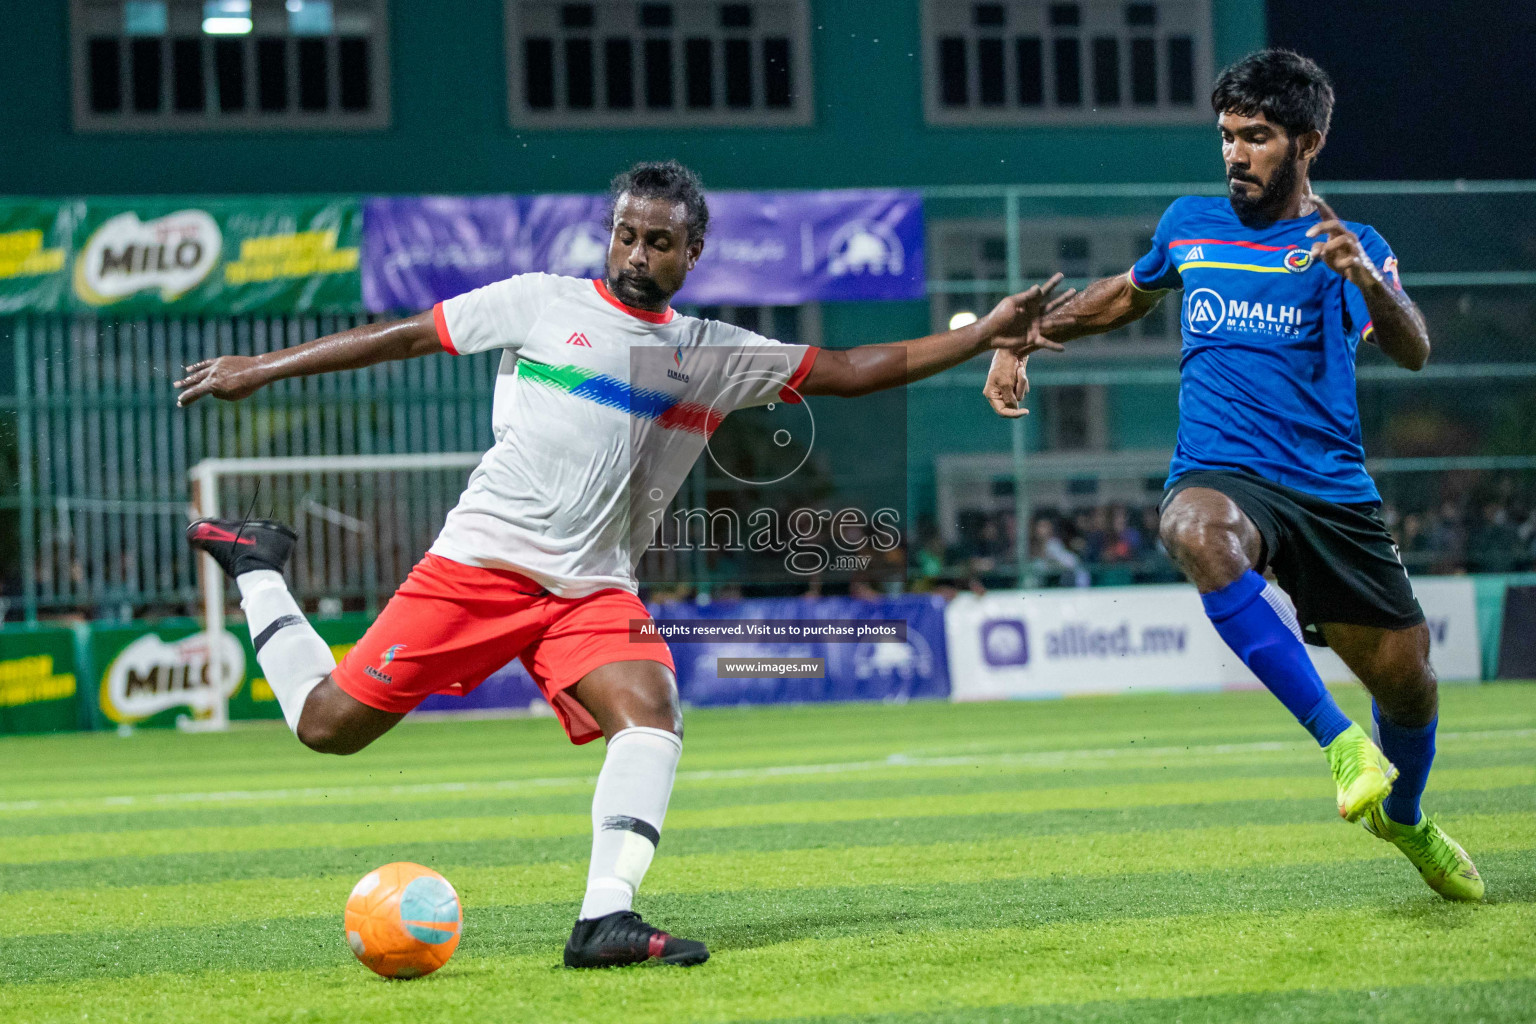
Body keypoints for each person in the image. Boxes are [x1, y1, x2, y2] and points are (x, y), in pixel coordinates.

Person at [175, 160, 1068, 968]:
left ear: (694, 252)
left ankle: (605, 919)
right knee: (328, 724)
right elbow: (408, 335)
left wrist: (985, 331)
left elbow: (853, 366)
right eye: (626, 234)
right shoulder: (542, 302)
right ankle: (259, 566)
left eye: (660, 242)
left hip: (594, 589)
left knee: (651, 715)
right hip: (482, 565)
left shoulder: (712, 354)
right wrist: (263, 365)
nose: (637, 254)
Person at [981, 51, 1481, 901]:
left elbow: (1416, 350)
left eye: (1257, 137)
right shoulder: (1190, 224)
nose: (1235, 154)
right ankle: (1338, 742)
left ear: (1307, 142)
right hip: (1224, 470)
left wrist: (1364, 277)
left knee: (1410, 686)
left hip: (1329, 491)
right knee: (1191, 529)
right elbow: (1123, 295)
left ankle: (1408, 820)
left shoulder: (1344, 246)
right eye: (1226, 136)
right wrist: (1022, 334)